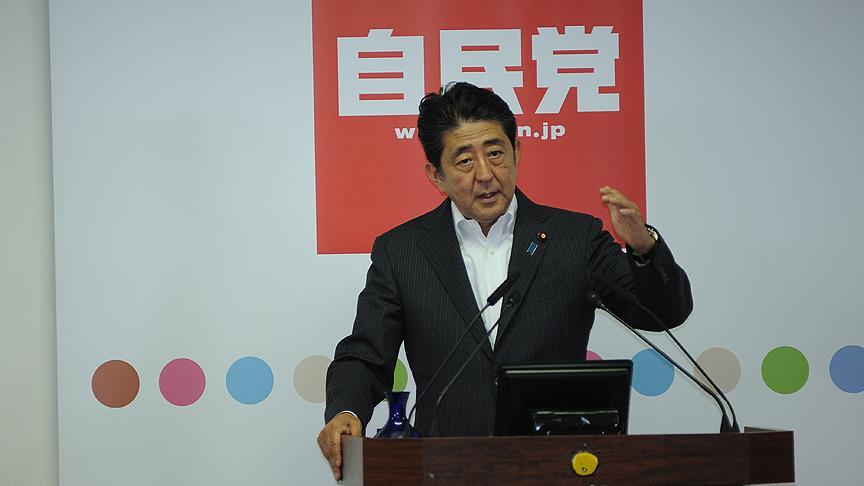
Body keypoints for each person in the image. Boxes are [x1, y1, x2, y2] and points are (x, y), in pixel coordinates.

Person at [317, 82, 693, 480]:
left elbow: (663, 313)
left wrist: (644, 248)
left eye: (496, 153)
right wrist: (346, 411)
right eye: (464, 161)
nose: (485, 175)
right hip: (446, 469)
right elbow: (366, 354)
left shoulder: (575, 238)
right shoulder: (402, 251)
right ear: (436, 175)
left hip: (558, 468)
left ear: (517, 152)